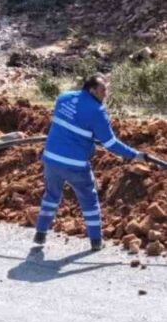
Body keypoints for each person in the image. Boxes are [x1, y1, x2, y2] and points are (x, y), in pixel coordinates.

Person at [33, 74, 144, 250]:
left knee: (51, 195)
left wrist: (88, 136)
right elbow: (110, 143)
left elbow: (71, 123)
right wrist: (134, 155)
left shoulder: (63, 98)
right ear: (91, 90)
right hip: (75, 165)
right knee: (89, 200)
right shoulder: (97, 111)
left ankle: (40, 233)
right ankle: (96, 241)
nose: (105, 94)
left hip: (51, 159)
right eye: (102, 90)